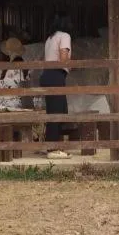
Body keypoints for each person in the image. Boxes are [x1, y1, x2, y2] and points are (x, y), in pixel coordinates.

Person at [40, 12, 73, 159]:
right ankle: (52, 149)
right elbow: (63, 56)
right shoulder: (65, 36)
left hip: (47, 74)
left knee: (55, 110)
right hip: (56, 74)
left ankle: (53, 145)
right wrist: (72, 66)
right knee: (57, 112)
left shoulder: (50, 38)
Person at [0, 38, 28, 112]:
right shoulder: (26, 68)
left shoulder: (3, 70)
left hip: (3, 105)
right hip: (20, 104)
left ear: (8, 52)